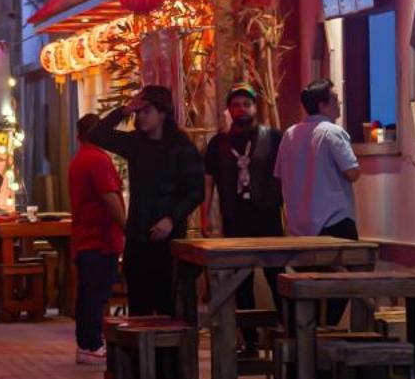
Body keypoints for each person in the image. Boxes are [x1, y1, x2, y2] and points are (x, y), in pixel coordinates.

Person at [86, 85, 205, 318]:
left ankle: (166, 355)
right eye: (138, 112)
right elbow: (96, 134)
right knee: (138, 304)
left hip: (168, 236)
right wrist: (124, 110)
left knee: (165, 304)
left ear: (162, 114)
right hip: (138, 233)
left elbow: (196, 191)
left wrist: (171, 219)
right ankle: (140, 354)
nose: (140, 117)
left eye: (146, 111)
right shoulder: (135, 143)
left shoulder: (181, 146)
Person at [202, 83, 287, 317]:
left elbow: (286, 177)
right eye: (236, 105)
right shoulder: (218, 143)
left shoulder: (272, 137)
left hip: (267, 215)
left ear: (255, 107)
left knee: (276, 274)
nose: (242, 109)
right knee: (240, 279)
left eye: (246, 105)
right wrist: (206, 215)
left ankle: (289, 329)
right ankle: (248, 340)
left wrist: (290, 214)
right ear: (229, 109)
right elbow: (208, 181)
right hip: (235, 217)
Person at [68, 114, 127, 364]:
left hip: (85, 236)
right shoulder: (97, 160)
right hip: (100, 237)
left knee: (87, 293)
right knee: (97, 293)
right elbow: (109, 197)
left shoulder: (80, 159)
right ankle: (92, 344)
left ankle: (86, 343)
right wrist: (127, 227)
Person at [276, 79, 362, 241]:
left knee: (310, 266)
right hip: (334, 220)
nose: (339, 103)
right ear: (322, 106)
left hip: (299, 225)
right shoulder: (332, 132)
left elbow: (279, 174)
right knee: (352, 264)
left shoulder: (289, 134)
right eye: (335, 99)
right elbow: (352, 173)